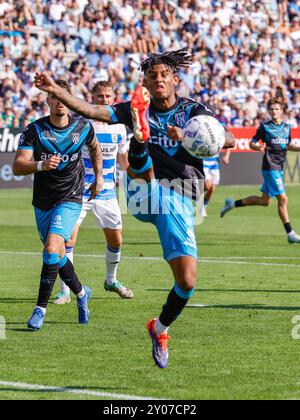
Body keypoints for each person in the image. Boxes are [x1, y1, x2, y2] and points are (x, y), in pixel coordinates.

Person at [34, 49, 235, 368]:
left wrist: (190, 136)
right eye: (152, 75)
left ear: (175, 80)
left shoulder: (193, 111)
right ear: (145, 80)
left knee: (187, 281)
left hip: (182, 196)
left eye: (164, 75)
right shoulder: (130, 107)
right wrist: (58, 91)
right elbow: (90, 109)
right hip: (146, 189)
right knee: (145, 169)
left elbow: (229, 138)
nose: (158, 79)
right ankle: (140, 139)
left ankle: (159, 329)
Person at [12, 79, 103, 331]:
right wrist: (41, 164)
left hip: (71, 197)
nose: (60, 101)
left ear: (70, 100)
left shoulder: (83, 127)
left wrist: (99, 176)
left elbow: (95, 149)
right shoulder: (34, 130)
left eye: (64, 97)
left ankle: (39, 309)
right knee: (57, 255)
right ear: (48, 100)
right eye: (55, 97)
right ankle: (83, 293)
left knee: (52, 247)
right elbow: (18, 165)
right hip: (43, 201)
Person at [54, 81, 133, 304]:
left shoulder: (119, 127)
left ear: (113, 98)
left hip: (107, 192)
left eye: (108, 96)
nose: (104, 100)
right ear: (92, 98)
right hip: (79, 190)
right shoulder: (80, 124)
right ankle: (66, 291)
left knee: (116, 240)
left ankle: (111, 280)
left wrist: (132, 181)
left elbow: (123, 160)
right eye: (100, 96)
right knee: (68, 238)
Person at [220, 97, 300, 244]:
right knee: (283, 199)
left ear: (281, 111)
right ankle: (290, 233)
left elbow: (288, 145)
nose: (274, 111)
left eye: (277, 109)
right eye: (272, 109)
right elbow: (252, 143)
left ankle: (231, 205)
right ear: (269, 111)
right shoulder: (265, 127)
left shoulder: (287, 128)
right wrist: (258, 147)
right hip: (270, 167)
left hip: (279, 167)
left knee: (264, 201)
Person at [202, 149, 231, 218]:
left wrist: (227, 156)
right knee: (207, 186)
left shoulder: (220, 137)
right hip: (203, 162)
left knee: (212, 189)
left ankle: (202, 207)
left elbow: (228, 145)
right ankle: (196, 200)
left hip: (214, 164)